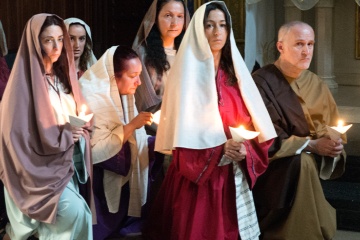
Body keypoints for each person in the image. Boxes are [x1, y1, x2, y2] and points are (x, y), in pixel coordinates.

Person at [143, 2, 277, 240]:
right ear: (198, 30)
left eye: (223, 25)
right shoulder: (185, 76)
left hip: (232, 174)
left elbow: (254, 124)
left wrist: (245, 147)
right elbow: (181, 134)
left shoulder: (235, 74)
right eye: (210, 26)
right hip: (198, 179)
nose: (217, 32)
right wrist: (219, 148)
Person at [0, 14, 94, 239]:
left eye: (60, 39)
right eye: (48, 40)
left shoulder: (63, 79)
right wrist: (61, 135)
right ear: (35, 42)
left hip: (64, 166)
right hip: (36, 172)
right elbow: (14, 137)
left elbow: (79, 112)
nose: (57, 46)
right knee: (75, 214)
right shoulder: (22, 86)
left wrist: (83, 125)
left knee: (79, 216)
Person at [252, 21, 346, 240]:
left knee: (305, 161)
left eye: (311, 44)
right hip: (274, 163)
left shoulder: (317, 83)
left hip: (312, 161)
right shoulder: (262, 82)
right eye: (299, 44)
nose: (307, 51)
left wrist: (334, 144)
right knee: (301, 161)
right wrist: (309, 145)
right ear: (280, 46)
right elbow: (263, 136)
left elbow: (333, 126)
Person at [79, 45, 163, 240]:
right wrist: (134, 124)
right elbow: (96, 150)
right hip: (96, 178)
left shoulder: (124, 95)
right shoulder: (94, 98)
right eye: (133, 75)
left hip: (121, 163)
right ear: (113, 77)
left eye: (139, 74)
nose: (139, 82)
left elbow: (137, 138)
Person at [132, 0, 190, 114]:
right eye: (168, 16)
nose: (174, 23)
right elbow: (144, 100)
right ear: (155, 18)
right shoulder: (142, 54)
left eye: (180, 16)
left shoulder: (189, 53)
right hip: (153, 122)